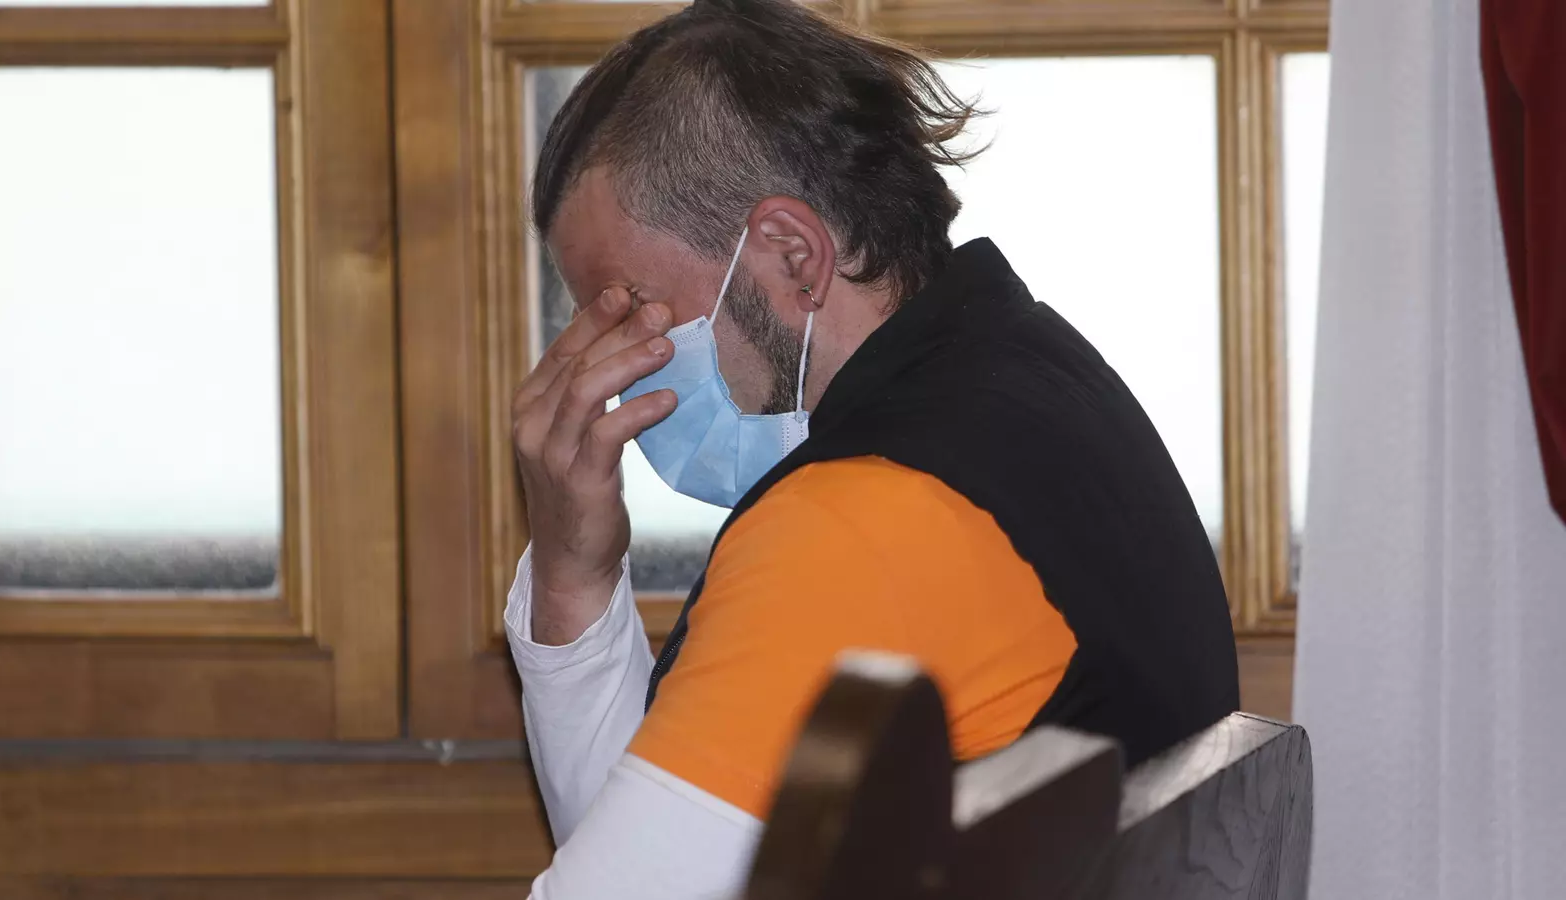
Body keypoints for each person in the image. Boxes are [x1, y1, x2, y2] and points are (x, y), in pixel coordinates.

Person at [506, 0, 1240, 896]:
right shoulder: (1029, 376)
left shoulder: (862, 520)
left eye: (633, 311)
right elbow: (640, 851)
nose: (611, 369)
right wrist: (571, 578)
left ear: (793, 256)